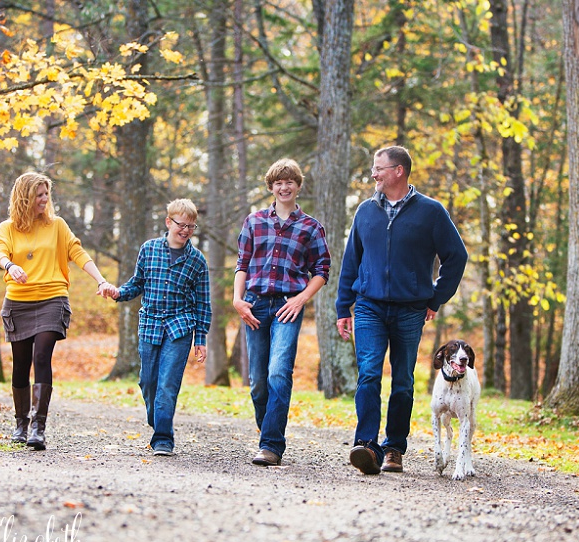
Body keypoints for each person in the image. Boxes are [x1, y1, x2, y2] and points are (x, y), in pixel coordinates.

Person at [336, 146, 467, 475]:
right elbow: (351, 261)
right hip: (369, 306)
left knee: (404, 381)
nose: (374, 174)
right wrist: (343, 306)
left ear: (399, 171)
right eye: (373, 168)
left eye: (379, 168)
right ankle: (366, 444)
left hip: (411, 310)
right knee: (368, 374)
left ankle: (394, 447)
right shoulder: (365, 211)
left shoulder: (431, 212)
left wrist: (435, 298)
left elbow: (456, 257)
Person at [0, 171, 114, 450]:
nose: (44, 199)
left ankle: (38, 426)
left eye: (46, 194)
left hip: (52, 298)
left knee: (41, 355)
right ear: (25, 197)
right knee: (21, 365)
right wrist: (11, 266)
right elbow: (0, 252)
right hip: (18, 301)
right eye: (39, 194)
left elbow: (77, 252)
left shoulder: (57, 225)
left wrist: (101, 280)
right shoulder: (8, 228)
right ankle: (21, 424)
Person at [233, 158, 330, 466]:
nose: (284, 187)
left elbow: (322, 270)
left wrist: (301, 299)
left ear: (298, 186)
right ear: (271, 187)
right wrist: (237, 300)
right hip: (255, 305)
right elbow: (242, 265)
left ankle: (271, 445)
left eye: (290, 182)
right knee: (258, 381)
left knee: (278, 372)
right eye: (278, 183)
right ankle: (268, 428)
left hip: (289, 306)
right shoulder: (254, 221)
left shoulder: (311, 227)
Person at [109, 199, 211, 457]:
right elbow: (137, 283)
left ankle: (163, 438)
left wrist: (200, 338)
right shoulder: (149, 249)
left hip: (180, 327)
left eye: (191, 226)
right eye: (181, 224)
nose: (186, 230)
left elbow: (202, 302)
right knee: (148, 381)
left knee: (167, 383)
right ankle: (159, 420)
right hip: (151, 324)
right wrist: (118, 292)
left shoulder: (197, 261)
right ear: (169, 222)